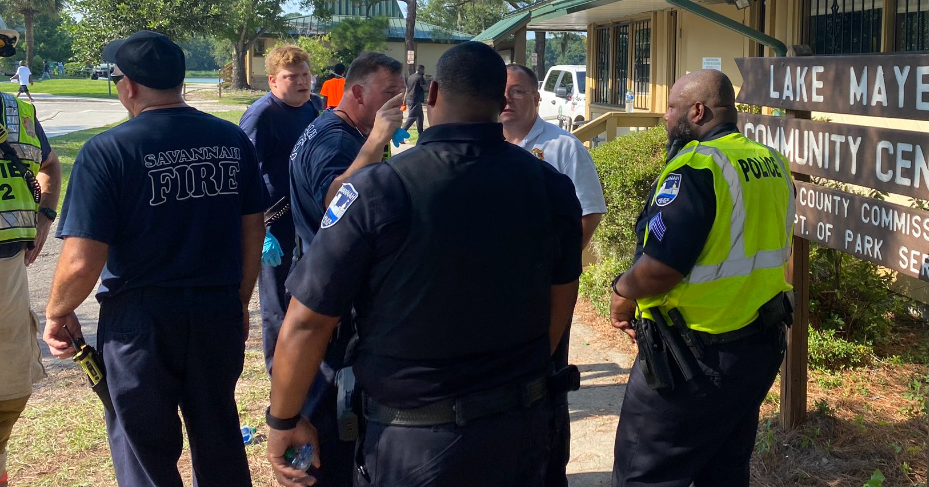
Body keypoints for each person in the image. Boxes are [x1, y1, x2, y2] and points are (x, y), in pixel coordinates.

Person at [268, 42, 582, 487]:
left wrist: (282, 420)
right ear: (500, 100)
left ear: (431, 94)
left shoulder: (378, 189)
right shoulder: (551, 187)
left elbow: (307, 322)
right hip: (521, 433)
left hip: (414, 443)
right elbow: (560, 303)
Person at [43, 30, 265, 487]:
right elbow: (253, 228)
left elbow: (83, 259)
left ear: (129, 86)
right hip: (215, 307)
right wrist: (240, 300)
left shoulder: (108, 151)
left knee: (143, 446)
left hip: (140, 321)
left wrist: (57, 311)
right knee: (218, 433)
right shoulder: (231, 140)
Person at [608, 70, 796, 487]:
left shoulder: (696, 167)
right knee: (724, 471)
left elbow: (659, 270)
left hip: (693, 360)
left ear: (698, 111)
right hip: (756, 349)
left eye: (671, 107)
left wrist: (620, 292)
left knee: (644, 474)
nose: (664, 116)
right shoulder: (770, 161)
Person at [284, 51, 406, 487]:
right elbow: (337, 201)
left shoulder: (339, 130)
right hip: (327, 297)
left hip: (330, 288)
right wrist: (376, 143)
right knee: (326, 411)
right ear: (357, 92)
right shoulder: (336, 138)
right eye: (389, 94)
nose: (399, 103)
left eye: (402, 93)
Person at [501, 63, 606, 487]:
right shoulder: (486, 144)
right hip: (497, 293)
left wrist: (557, 266)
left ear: (536, 98)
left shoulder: (563, 147)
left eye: (519, 92)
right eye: (502, 92)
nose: (508, 99)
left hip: (547, 291)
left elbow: (590, 211)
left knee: (545, 379)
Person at [0, 44, 62, 487]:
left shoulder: (16, 112)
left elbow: (49, 164)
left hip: (8, 275)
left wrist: (44, 217)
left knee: (12, 388)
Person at [239, 44, 321, 373]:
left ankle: (306, 364)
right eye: (291, 77)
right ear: (273, 81)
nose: (301, 82)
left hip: (309, 217)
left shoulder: (314, 107)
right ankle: (280, 371)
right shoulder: (262, 114)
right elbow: (243, 173)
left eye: (305, 75)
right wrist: (260, 226)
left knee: (306, 292)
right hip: (274, 220)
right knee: (276, 301)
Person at [402, 64, 427, 136]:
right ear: (420, 70)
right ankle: (401, 134)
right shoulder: (420, 77)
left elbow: (407, 89)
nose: (424, 71)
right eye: (423, 70)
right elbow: (425, 88)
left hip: (409, 99)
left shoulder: (410, 77)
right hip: (415, 99)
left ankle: (421, 135)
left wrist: (404, 100)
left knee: (420, 117)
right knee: (412, 117)